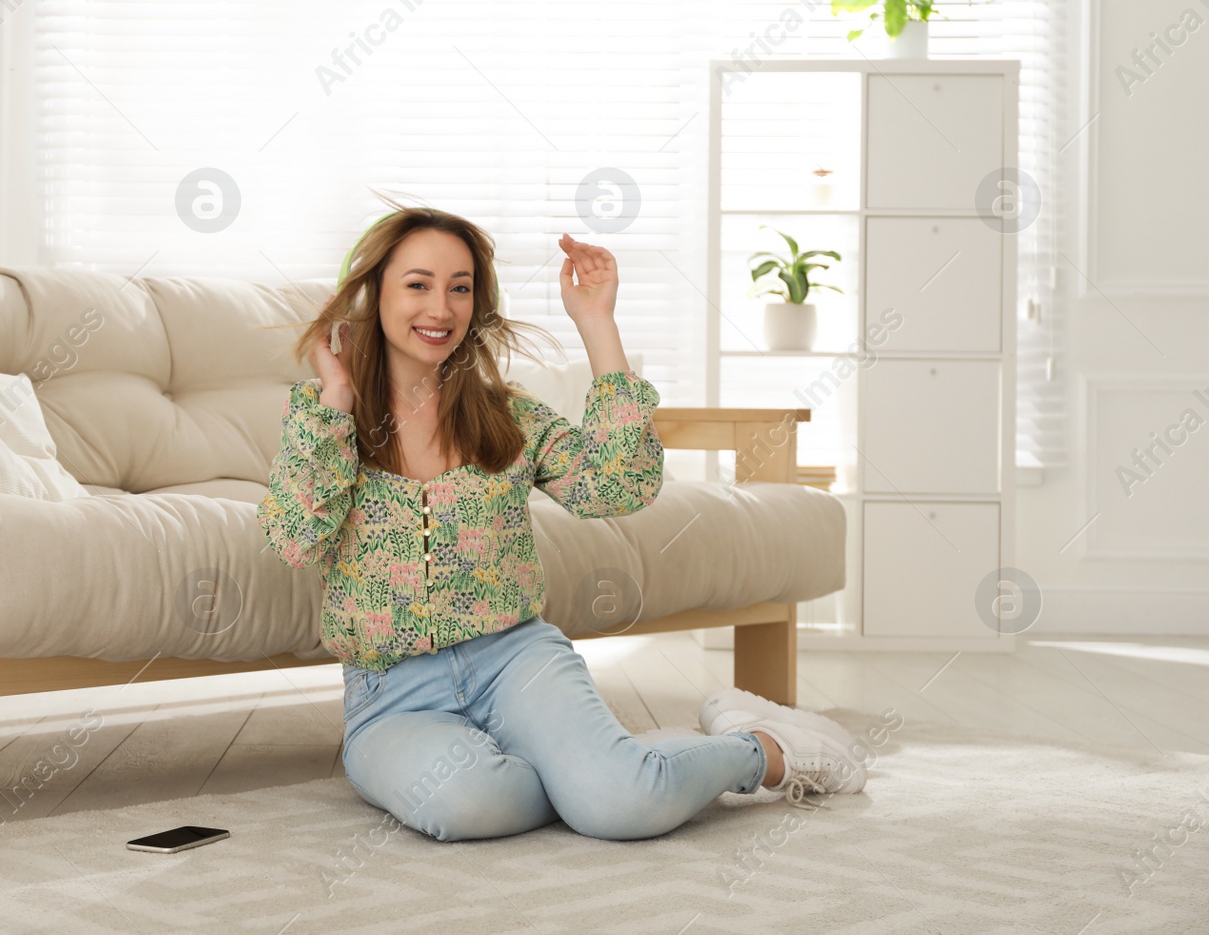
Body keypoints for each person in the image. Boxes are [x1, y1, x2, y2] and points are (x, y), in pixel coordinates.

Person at [256, 198, 866, 842]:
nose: (440, 309)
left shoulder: (508, 418)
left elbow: (619, 487)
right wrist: (337, 399)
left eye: (459, 289)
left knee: (621, 809)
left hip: (517, 660)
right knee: (466, 808)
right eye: (418, 285)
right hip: (393, 693)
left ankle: (760, 749)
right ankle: (620, 765)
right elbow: (294, 540)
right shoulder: (326, 419)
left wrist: (597, 323)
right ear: (373, 296)